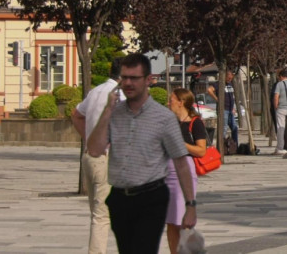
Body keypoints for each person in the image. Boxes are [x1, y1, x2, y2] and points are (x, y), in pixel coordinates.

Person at [86, 53, 196, 254]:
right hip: (119, 198)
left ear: (148, 80)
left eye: (133, 78)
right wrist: (107, 112)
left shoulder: (163, 118)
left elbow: (181, 162)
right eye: (124, 78)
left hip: (150, 197)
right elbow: (94, 150)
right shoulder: (114, 114)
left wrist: (190, 205)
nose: (127, 83)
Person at [71, 58, 122, 254]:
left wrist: (89, 138)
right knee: (102, 216)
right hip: (106, 158)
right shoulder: (120, 94)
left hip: (90, 157)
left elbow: (76, 114)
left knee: (96, 213)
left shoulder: (96, 91)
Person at [165, 89, 207, 254]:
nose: (169, 103)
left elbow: (201, 150)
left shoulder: (195, 122)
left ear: (181, 102)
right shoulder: (169, 122)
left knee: (182, 221)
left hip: (183, 174)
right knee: (170, 221)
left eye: (171, 100)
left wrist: (181, 144)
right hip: (166, 172)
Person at [208, 71, 238, 147]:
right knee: (223, 128)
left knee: (234, 127)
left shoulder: (230, 84)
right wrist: (217, 99)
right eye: (228, 77)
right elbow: (209, 90)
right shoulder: (219, 84)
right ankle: (222, 146)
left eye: (231, 77)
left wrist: (233, 108)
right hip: (223, 109)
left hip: (230, 109)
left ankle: (235, 145)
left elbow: (232, 97)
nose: (229, 78)